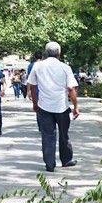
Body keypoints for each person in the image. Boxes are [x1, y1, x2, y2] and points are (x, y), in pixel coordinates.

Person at [27, 41, 79, 172]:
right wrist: (76, 107)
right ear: (59, 54)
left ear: (46, 53)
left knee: (47, 136)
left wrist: (35, 103)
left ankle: (50, 164)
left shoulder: (37, 66)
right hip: (61, 106)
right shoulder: (65, 67)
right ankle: (66, 160)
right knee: (63, 134)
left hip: (44, 107)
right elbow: (71, 88)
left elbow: (32, 86)